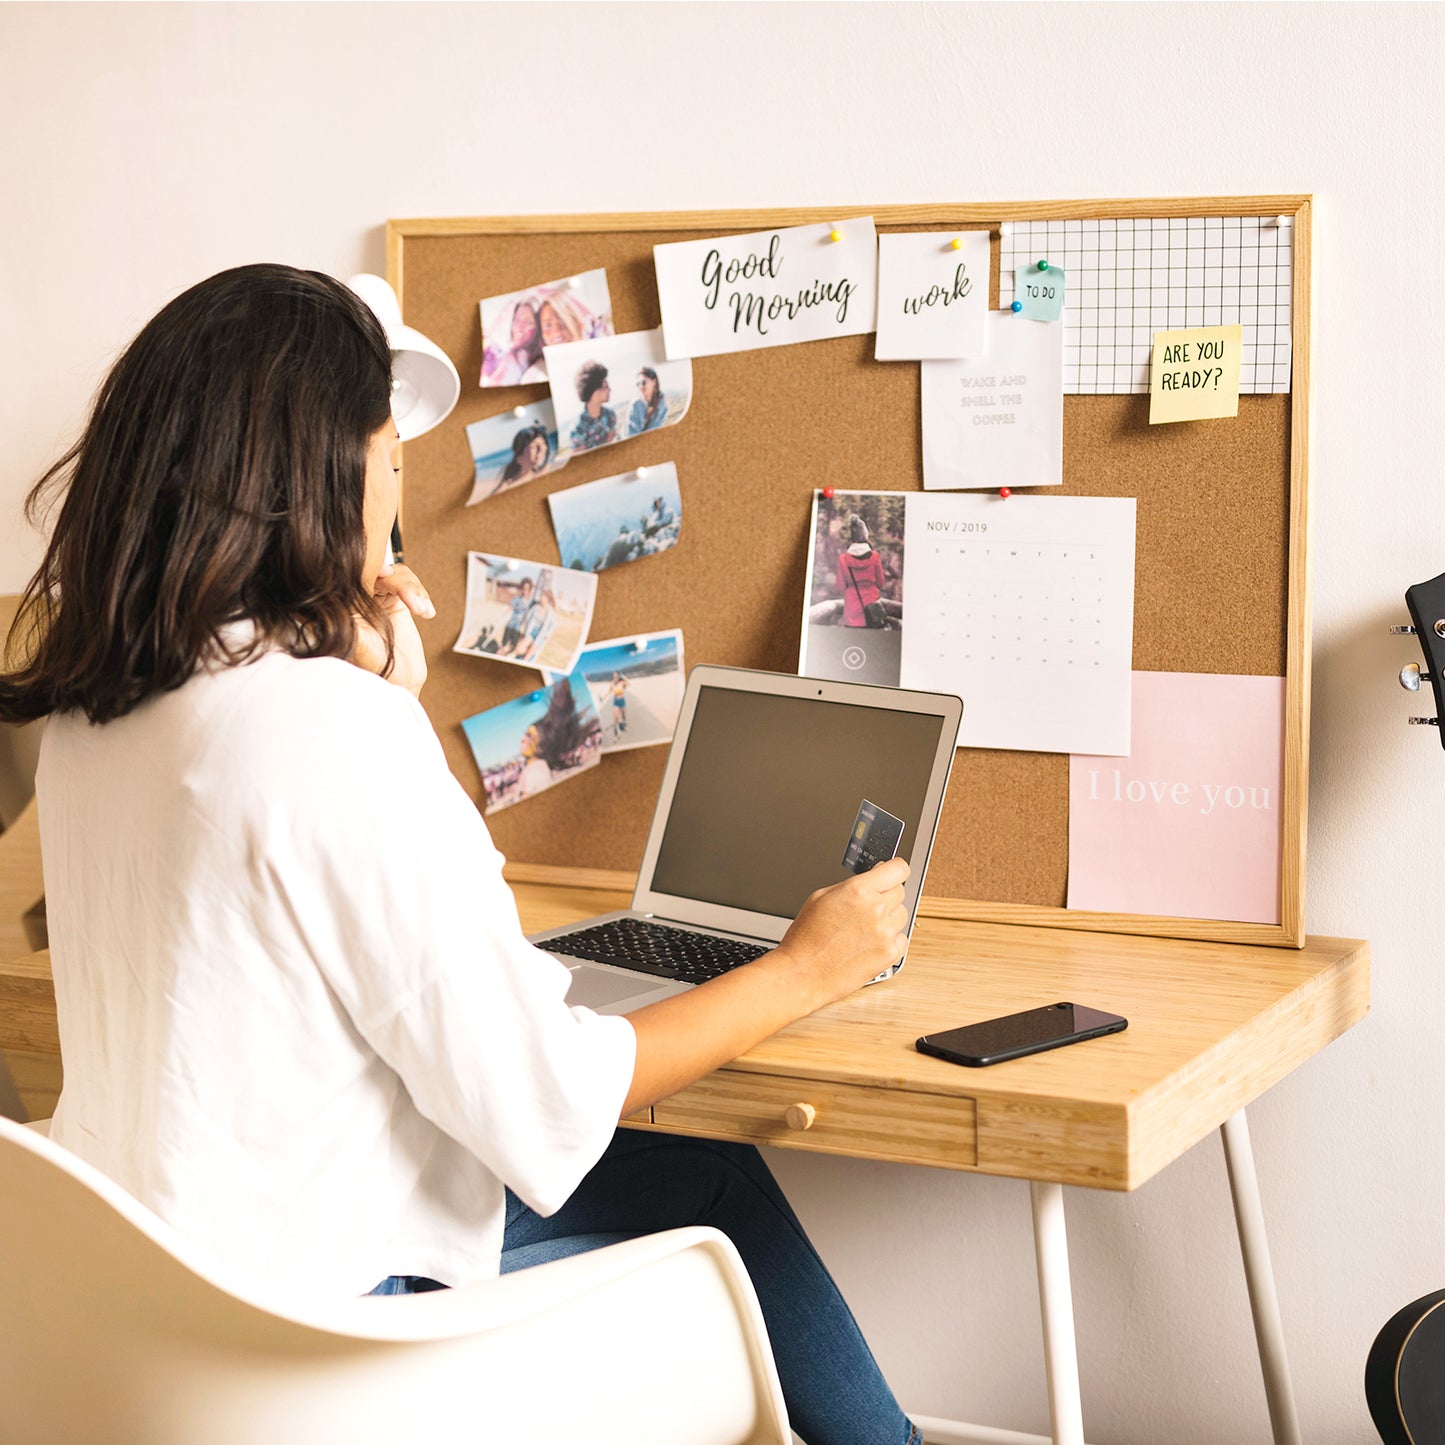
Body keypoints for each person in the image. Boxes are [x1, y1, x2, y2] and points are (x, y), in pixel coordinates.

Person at [0, 264, 922, 1445]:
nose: (395, 498)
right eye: (387, 456)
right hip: (320, 1342)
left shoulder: (91, 722)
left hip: (148, 1317)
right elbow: (545, 1103)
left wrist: (370, 684)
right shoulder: (323, 729)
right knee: (714, 1177)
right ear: (315, 475)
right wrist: (804, 966)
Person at [837, 512, 890, 629]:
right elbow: (881, 582)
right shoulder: (875, 556)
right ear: (865, 536)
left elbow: (841, 586)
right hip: (872, 606)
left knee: (856, 643)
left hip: (852, 611)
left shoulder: (843, 559)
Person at [482, 297, 543, 386]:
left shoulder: (519, 356)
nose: (519, 327)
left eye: (528, 322)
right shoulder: (506, 354)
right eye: (517, 319)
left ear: (538, 329)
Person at [569, 361, 617, 451]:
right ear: (593, 390)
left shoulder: (610, 415)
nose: (609, 389)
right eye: (605, 386)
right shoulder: (578, 427)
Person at [495, 422, 552, 494]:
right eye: (534, 447)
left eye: (543, 443)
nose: (542, 449)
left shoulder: (546, 470)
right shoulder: (506, 487)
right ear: (519, 458)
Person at [627, 366, 668, 435]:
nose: (641, 387)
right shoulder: (636, 404)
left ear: (654, 382)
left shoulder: (662, 404)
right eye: (638, 384)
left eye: (643, 382)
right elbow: (631, 435)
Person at [609, 670, 629, 737]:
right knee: (616, 716)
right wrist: (602, 698)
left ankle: (624, 723)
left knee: (623, 715)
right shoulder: (612, 683)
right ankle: (617, 729)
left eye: (616, 676)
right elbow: (609, 691)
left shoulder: (621, 682)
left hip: (622, 700)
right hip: (616, 701)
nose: (614, 677)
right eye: (613, 676)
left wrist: (624, 677)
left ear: (618, 676)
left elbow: (628, 683)